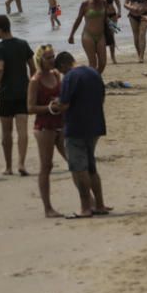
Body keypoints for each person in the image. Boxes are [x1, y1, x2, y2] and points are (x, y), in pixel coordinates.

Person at [50, 52, 111, 218]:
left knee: (79, 169)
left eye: (61, 71)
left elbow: (64, 104)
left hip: (76, 126)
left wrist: (54, 104)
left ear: (63, 66)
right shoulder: (94, 73)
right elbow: (102, 98)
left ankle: (85, 207)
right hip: (95, 124)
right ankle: (99, 204)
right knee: (91, 167)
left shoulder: (70, 77)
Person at [0, 15, 35, 176]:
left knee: (6, 131)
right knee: (22, 130)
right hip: (23, 91)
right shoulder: (23, 44)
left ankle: (8, 166)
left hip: (6, 93)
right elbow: (32, 66)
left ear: (0, 29)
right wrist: (32, 84)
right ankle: (21, 163)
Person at [27, 44, 67, 218]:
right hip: (44, 127)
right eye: (48, 58)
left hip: (61, 123)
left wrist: (62, 104)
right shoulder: (35, 80)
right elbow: (30, 107)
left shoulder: (57, 75)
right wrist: (50, 108)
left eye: (53, 57)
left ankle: (90, 199)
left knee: (74, 161)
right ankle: (48, 208)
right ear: (40, 60)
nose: (52, 60)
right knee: (46, 166)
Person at [67, 0, 109, 74]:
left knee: (103, 62)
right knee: (93, 64)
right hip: (88, 36)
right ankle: (93, 81)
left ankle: (94, 78)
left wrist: (111, 28)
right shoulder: (85, 4)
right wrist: (71, 35)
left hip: (101, 36)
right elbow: (78, 20)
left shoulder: (104, 2)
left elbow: (105, 18)